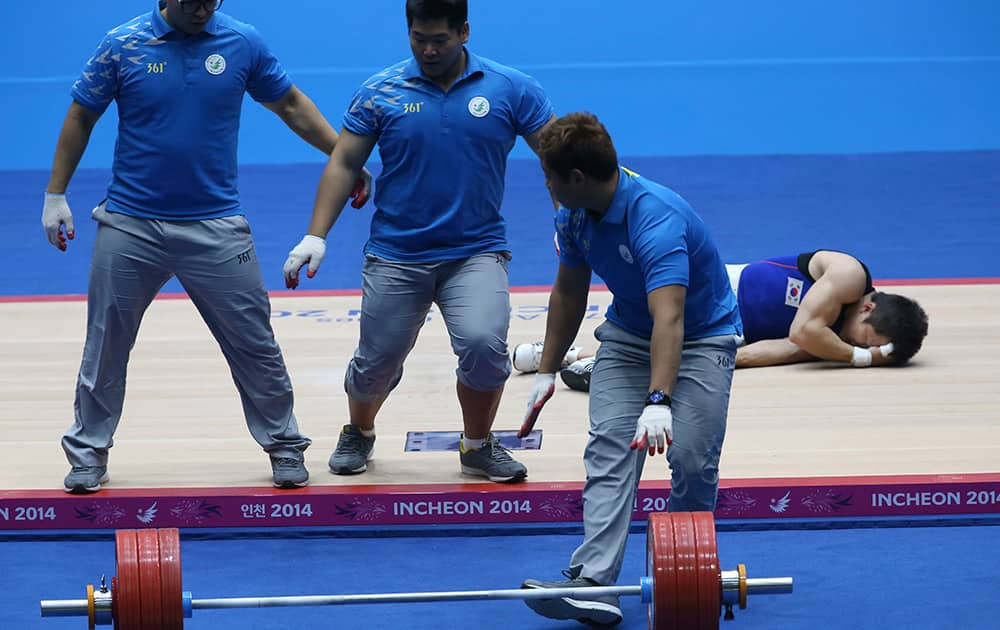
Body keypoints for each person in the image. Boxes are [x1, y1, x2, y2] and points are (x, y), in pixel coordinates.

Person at [42, 0, 370, 493]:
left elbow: (291, 104)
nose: (202, 8)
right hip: (131, 223)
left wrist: (344, 158)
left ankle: (284, 445)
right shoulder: (122, 45)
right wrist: (55, 194)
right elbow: (81, 115)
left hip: (215, 225)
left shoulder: (242, 42)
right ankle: (88, 452)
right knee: (105, 343)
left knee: (254, 341)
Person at [282, 0, 557, 483]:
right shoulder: (379, 92)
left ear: (465, 32)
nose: (428, 50)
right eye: (418, 38)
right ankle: (360, 431)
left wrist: (570, 216)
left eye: (440, 40)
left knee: (483, 349)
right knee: (376, 363)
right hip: (396, 253)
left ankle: (477, 446)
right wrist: (314, 234)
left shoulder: (510, 89)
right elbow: (345, 163)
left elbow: (557, 153)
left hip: (476, 251)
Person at [516, 112, 743, 626]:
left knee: (690, 459)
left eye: (549, 176)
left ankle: (688, 569)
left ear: (575, 179)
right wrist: (547, 371)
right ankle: (595, 584)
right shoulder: (571, 214)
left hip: (704, 338)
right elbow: (570, 290)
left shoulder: (655, 218)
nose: (546, 184)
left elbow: (672, 318)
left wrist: (658, 401)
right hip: (626, 335)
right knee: (611, 447)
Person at [515, 250, 929, 391]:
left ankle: (576, 358)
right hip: (718, 285)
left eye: (869, 349)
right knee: (652, 329)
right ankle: (572, 355)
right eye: (868, 340)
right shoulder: (850, 275)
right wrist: (863, 359)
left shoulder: (830, 341)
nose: (860, 346)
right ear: (869, 308)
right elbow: (802, 332)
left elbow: (785, 349)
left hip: (727, 329)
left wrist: (727, 358)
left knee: (672, 355)